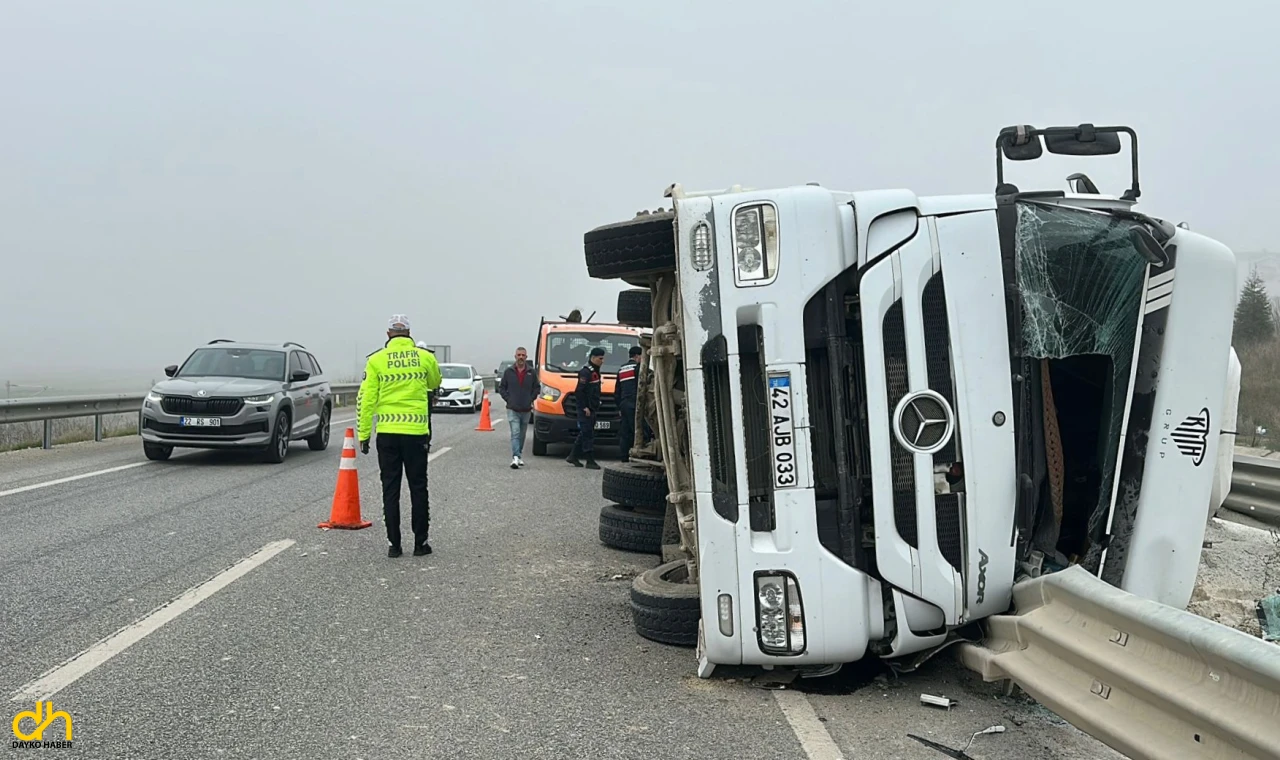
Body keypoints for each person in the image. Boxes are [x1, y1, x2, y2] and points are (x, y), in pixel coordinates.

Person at [357, 315, 442, 558]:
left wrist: (364, 434)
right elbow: (435, 381)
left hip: (387, 434)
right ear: (409, 333)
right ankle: (420, 543)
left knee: (390, 488)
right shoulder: (425, 357)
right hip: (416, 433)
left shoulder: (376, 360)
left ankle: (394, 545)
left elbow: (366, 399)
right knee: (418, 487)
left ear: (388, 334)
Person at [498, 346, 538, 469]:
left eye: (523, 355)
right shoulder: (508, 372)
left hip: (526, 409)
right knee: (515, 432)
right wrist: (509, 399)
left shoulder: (531, 372)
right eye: (519, 355)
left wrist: (530, 399)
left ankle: (519, 454)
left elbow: (537, 388)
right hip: (512, 408)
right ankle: (515, 457)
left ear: (526, 357)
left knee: (522, 434)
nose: (521, 357)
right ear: (515, 356)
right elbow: (502, 388)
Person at [565, 346, 605, 470]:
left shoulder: (595, 371)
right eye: (600, 358)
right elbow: (579, 392)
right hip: (585, 409)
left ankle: (572, 456)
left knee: (585, 433)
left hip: (592, 408)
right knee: (588, 434)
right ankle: (590, 460)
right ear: (593, 358)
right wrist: (584, 407)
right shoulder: (586, 372)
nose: (602, 361)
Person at [616, 345, 642, 462]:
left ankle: (624, 456)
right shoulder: (638, 368)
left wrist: (619, 406)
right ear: (637, 356)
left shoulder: (621, 369)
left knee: (625, 431)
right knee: (638, 430)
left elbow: (617, 391)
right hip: (635, 403)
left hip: (624, 404)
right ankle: (637, 455)